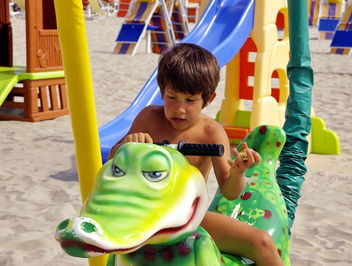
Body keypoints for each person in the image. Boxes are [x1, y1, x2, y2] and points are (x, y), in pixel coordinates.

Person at [109, 43, 283, 266]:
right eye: (171, 97)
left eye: (190, 100)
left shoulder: (211, 133)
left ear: (208, 99)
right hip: (144, 212)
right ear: (162, 91)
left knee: (262, 242)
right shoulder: (148, 118)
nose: (179, 109)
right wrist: (127, 144)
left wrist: (238, 172)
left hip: (187, 216)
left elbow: (230, 192)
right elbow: (113, 159)